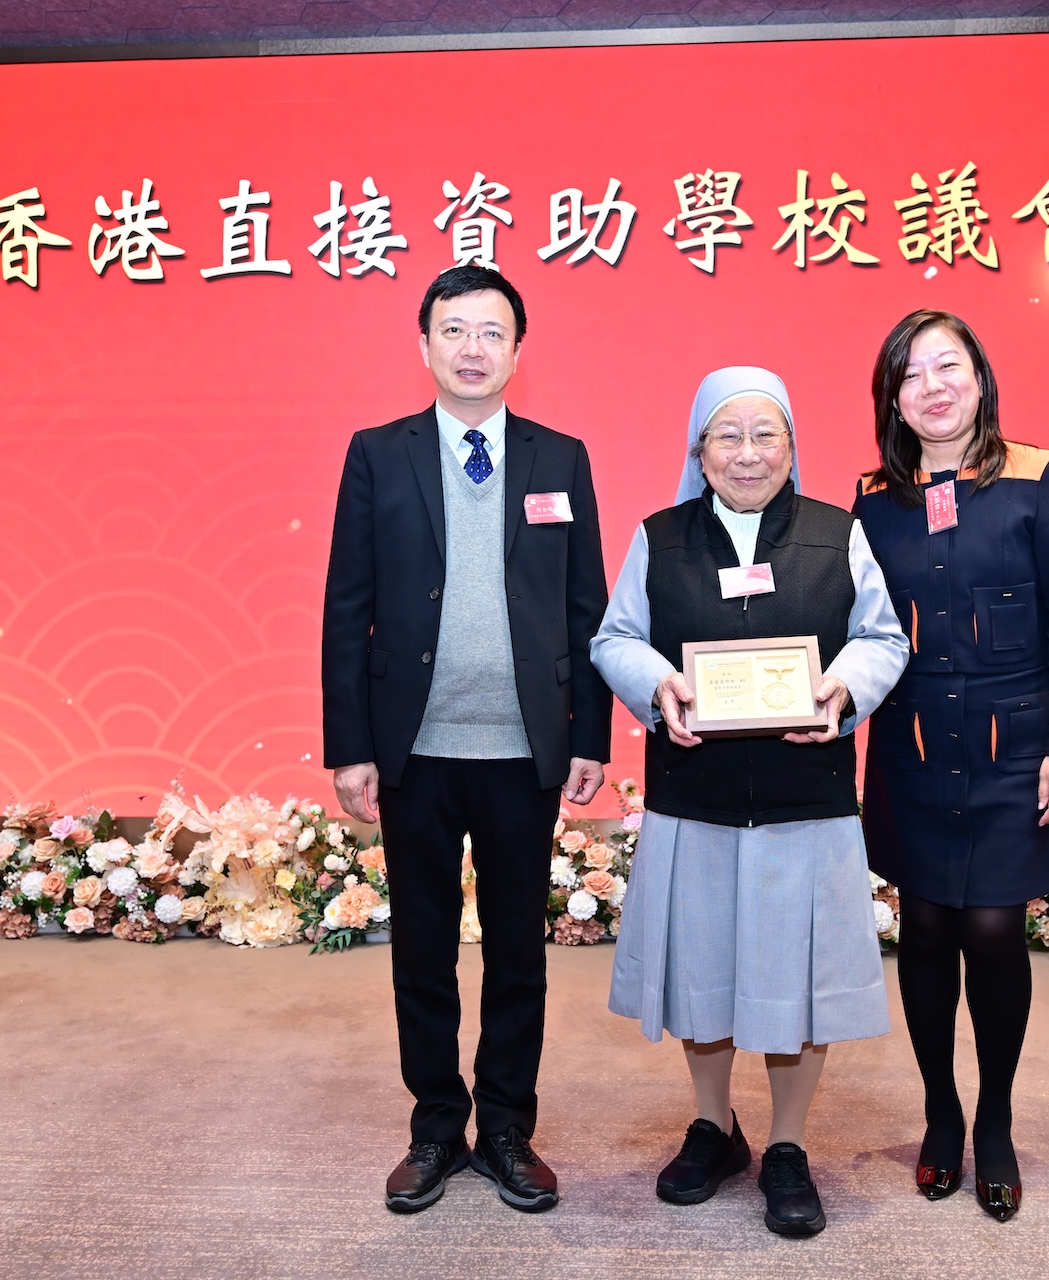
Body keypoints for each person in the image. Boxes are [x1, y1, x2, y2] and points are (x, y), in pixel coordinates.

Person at [321, 265, 612, 1215]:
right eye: (454, 331)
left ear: (518, 350)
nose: (473, 349)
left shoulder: (560, 457)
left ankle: (509, 1130)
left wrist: (592, 734)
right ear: (425, 345)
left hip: (524, 748)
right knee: (424, 949)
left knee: (519, 950)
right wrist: (349, 746)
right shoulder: (379, 454)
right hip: (416, 747)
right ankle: (437, 1128)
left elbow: (586, 607)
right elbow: (347, 607)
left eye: (492, 332)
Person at [592, 366, 908, 1237]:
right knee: (704, 971)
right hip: (693, 797)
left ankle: (788, 1146)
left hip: (807, 800)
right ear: (699, 450)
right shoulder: (660, 538)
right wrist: (657, 683)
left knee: (797, 981)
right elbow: (616, 637)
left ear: (792, 448)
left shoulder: (838, 534)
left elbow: (882, 638)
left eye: (766, 434)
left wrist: (844, 688)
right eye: (727, 436)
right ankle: (713, 1126)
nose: (747, 453)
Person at [852, 310, 1049, 1222]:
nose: (933, 387)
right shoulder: (874, 498)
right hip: (915, 744)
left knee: (993, 929)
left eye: (947, 366)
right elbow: (854, 626)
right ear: (893, 399)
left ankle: (994, 1117)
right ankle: (940, 1112)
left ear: (980, 378)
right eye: (911, 375)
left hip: (1014, 747)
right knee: (924, 929)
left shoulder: (1038, 477)